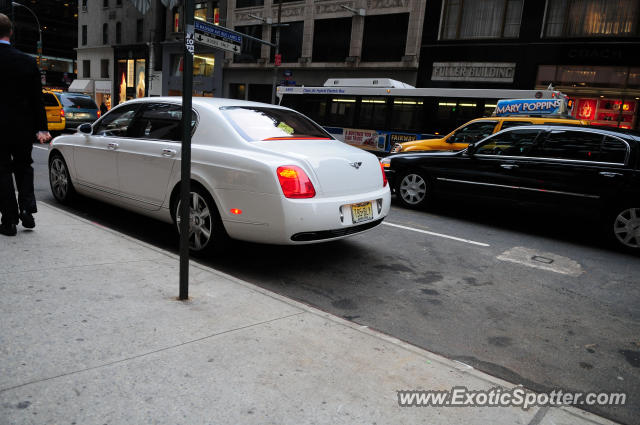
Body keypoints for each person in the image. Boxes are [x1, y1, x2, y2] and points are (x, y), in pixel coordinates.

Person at [0, 13, 51, 237]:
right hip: (23, 127)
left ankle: (9, 220)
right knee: (24, 165)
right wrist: (42, 128)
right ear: (10, 33)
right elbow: (37, 100)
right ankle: (26, 207)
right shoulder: (28, 61)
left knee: (1, 171)